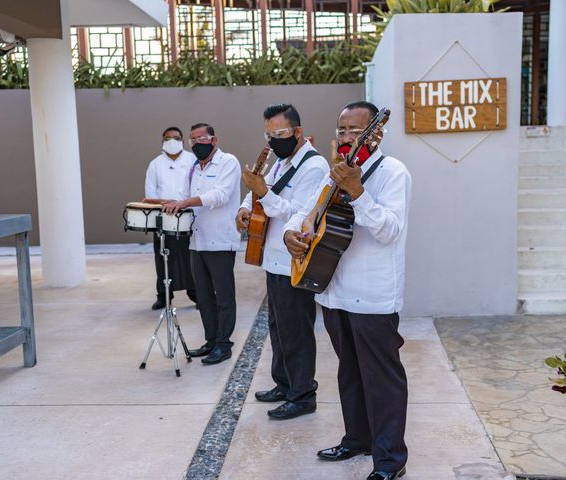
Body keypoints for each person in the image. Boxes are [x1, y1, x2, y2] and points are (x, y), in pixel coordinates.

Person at [283, 101, 411, 480]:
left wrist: (358, 192)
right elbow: (306, 212)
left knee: (382, 378)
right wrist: (293, 232)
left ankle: (390, 461)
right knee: (349, 372)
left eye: (356, 131)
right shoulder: (333, 174)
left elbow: (389, 230)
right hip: (332, 288)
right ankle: (357, 439)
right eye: (342, 131)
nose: (347, 138)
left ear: (377, 133)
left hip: (373, 294)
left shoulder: (393, 173)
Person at [236, 104, 329, 420]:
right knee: (277, 326)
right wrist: (245, 207)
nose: (273, 141)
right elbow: (261, 194)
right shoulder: (279, 162)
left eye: (279, 134)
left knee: (297, 330)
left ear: (298, 132)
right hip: (272, 260)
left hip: (293, 261)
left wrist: (261, 192)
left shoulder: (314, 167)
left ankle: (303, 395)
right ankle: (284, 382)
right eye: (269, 134)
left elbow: (298, 213)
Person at [163, 123, 241, 365]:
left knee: (223, 296)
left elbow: (221, 195)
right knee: (204, 296)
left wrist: (185, 202)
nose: (196, 143)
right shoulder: (193, 167)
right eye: (192, 140)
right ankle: (211, 340)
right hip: (197, 241)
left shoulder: (228, 162)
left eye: (202, 138)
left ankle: (224, 344)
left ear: (214, 140)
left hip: (221, 240)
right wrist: (168, 203)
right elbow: (183, 196)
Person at [143, 126, 197, 311]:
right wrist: (167, 203)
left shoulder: (193, 160)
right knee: (164, 257)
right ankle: (164, 295)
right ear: (162, 141)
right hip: (164, 218)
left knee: (190, 256)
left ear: (183, 140)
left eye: (176, 138)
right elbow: (149, 195)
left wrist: (182, 203)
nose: (172, 141)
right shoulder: (155, 164)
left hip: (188, 217)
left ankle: (195, 293)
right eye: (167, 138)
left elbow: (197, 188)